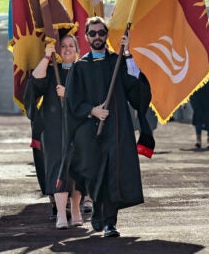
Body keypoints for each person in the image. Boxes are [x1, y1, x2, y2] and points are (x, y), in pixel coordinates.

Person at [65, 17, 154, 238]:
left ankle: (109, 222)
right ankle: (97, 208)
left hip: (116, 129)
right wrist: (92, 110)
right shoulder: (79, 67)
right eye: (92, 33)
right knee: (94, 175)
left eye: (101, 33)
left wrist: (127, 55)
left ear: (106, 35)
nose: (97, 37)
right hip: (89, 133)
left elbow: (137, 92)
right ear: (86, 37)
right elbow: (72, 102)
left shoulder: (118, 62)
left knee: (113, 175)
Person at [25, 35, 83, 229]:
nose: (67, 49)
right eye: (63, 46)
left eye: (71, 46)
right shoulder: (52, 72)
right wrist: (47, 56)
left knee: (76, 170)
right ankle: (60, 214)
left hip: (78, 127)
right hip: (54, 130)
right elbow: (35, 82)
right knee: (57, 169)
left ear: (77, 49)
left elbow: (91, 97)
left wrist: (69, 95)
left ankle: (75, 210)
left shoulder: (83, 71)